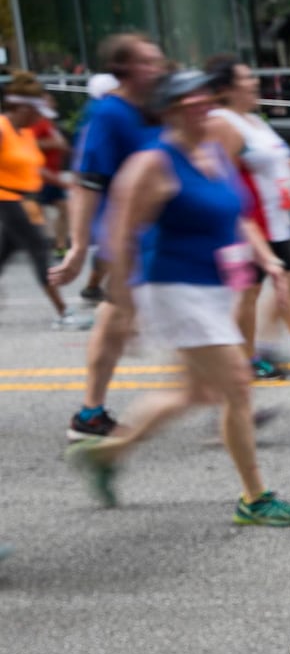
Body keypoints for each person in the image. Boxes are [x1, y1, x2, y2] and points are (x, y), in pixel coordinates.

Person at [64, 70, 290, 526]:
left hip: (215, 287)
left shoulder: (214, 153)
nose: (199, 106)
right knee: (236, 384)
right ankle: (255, 498)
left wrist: (268, 261)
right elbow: (121, 233)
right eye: (187, 100)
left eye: (203, 98)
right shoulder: (153, 163)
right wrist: (125, 304)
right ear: (168, 110)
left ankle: (107, 453)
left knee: (192, 392)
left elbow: (236, 217)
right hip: (174, 289)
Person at [50, 32, 166, 441]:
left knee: (121, 317)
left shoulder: (152, 109)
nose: (158, 67)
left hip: (161, 233)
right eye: (148, 61)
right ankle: (91, 413)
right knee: (118, 317)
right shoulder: (109, 114)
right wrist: (80, 247)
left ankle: (91, 413)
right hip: (129, 236)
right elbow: (87, 182)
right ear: (125, 69)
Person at [203, 54, 290, 379]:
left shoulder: (253, 119)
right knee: (250, 292)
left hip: (276, 219)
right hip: (250, 222)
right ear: (225, 88)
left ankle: (266, 346)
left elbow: (271, 158)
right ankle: (246, 359)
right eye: (245, 79)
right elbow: (221, 173)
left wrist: (284, 168)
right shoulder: (223, 121)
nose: (254, 83)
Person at [0, 77, 91, 330]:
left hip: (27, 199)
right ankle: (64, 313)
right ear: (23, 108)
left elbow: (37, 169)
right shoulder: (2, 129)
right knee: (40, 249)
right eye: (37, 111)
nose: (40, 118)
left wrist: (69, 185)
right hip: (7, 198)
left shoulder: (27, 133)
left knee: (4, 253)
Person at [30, 96, 71, 260]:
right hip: (39, 175)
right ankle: (37, 247)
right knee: (38, 214)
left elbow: (61, 143)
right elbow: (29, 144)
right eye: (50, 101)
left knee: (64, 209)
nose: (54, 103)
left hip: (53, 176)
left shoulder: (49, 122)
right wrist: (52, 144)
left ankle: (60, 245)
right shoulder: (37, 123)